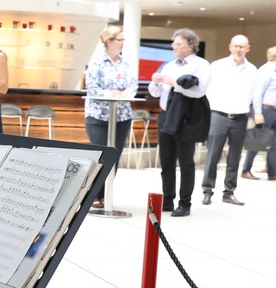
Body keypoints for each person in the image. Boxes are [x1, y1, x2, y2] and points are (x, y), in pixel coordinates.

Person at [148, 28, 210, 217]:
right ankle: (167, 200)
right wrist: (156, 82)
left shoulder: (201, 65)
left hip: (187, 117)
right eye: (173, 44)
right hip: (167, 115)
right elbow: (155, 93)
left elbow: (199, 91)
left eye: (179, 44)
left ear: (191, 46)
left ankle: (185, 203)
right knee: (166, 161)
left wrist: (175, 82)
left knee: (186, 161)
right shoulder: (169, 65)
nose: (174, 47)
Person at [83, 25, 135, 210]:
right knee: (101, 155)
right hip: (98, 116)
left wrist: (122, 94)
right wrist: (110, 93)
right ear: (109, 41)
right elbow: (92, 86)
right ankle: (94, 194)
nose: (122, 43)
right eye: (119, 40)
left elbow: (132, 85)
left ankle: (107, 195)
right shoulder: (97, 62)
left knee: (115, 156)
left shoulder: (125, 63)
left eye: (123, 40)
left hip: (121, 116)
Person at [201, 34, 253, 206]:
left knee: (235, 157)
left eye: (242, 46)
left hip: (240, 118)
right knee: (213, 154)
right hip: (219, 116)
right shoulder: (217, 66)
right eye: (236, 46)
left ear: (248, 49)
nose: (239, 49)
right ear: (230, 47)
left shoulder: (252, 70)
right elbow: (207, 88)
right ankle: (207, 190)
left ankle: (229, 192)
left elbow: (253, 93)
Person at [241, 45, 276, 181]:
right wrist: (258, 112)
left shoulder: (275, 72)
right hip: (265, 109)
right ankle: (246, 169)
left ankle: (273, 172)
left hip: (274, 110)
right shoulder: (265, 71)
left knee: (274, 142)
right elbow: (258, 93)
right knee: (258, 140)